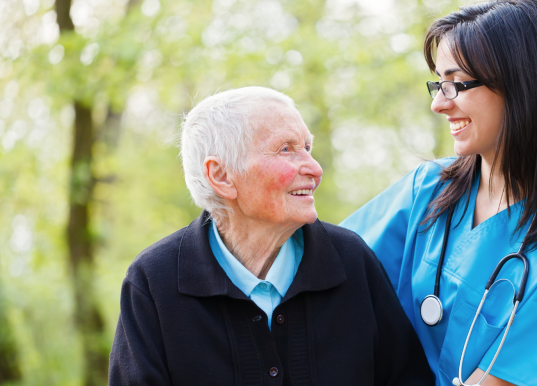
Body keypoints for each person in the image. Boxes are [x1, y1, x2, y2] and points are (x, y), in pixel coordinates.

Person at [340, 1, 537, 385]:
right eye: (438, 83)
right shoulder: (426, 189)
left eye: (455, 84)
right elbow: (328, 274)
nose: (438, 103)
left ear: (520, 85)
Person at [108, 87, 434, 385]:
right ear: (221, 176)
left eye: (307, 147)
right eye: (286, 149)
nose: (314, 167)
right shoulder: (153, 282)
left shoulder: (352, 259)